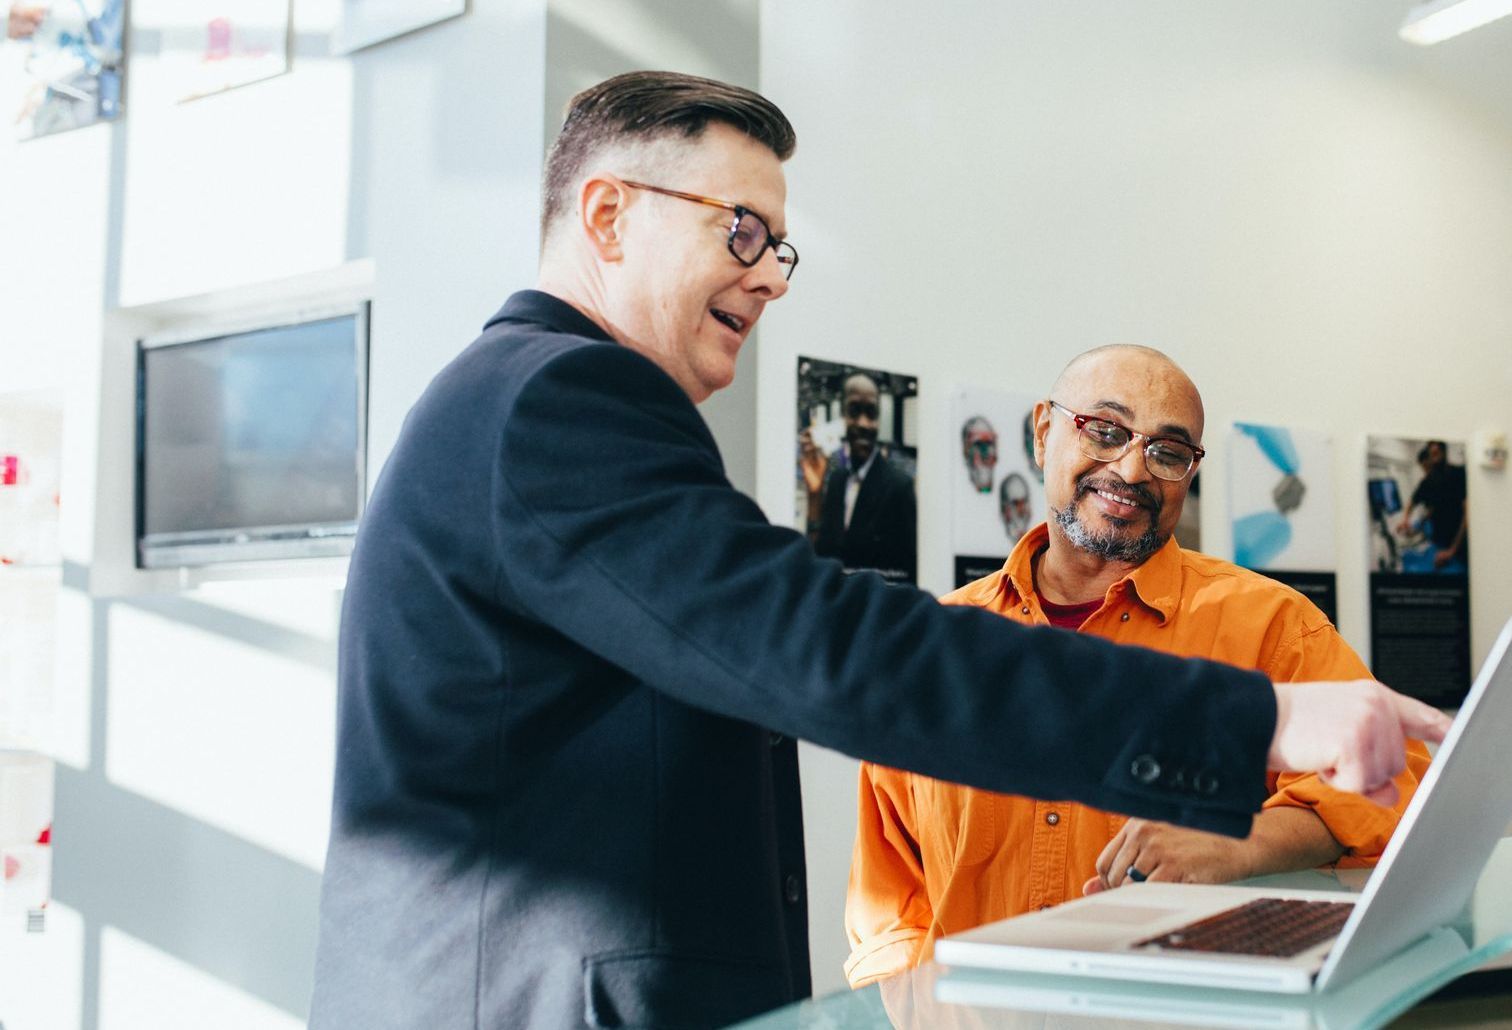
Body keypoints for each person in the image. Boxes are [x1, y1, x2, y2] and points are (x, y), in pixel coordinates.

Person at [310, 71, 1448, 1030]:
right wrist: (1258, 719)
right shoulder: (560, 399)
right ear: (607, 216)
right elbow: (830, 650)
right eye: (740, 230)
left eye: (778, 246)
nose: (766, 273)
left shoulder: (524, 403)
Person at [843, 347, 1432, 986]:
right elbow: (891, 900)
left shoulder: (1271, 625)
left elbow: (1397, 784)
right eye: (1105, 430)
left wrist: (1238, 842)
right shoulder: (940, 645)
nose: (1131, 469)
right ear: (1044, 433)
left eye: (1168, 452)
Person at [799, 372, 917, 582]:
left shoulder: (899, 487)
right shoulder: (836, 480)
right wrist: (814, 496)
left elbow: (906, 577)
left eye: (871, 414)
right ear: (843, 415)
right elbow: (821, 558)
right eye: (854, 411)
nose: (863, 423)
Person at [1400, 440, 1468, 571]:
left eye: (1437, 454)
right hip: (1439, 543)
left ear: (1444, 453)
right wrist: (1405, 519)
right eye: (1432, 455)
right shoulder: (1428, 481)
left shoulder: (1458, 474)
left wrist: (1452, 550)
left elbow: (1467, 514)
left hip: (1458, 545)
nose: (1426, 470)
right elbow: (1414, 501)